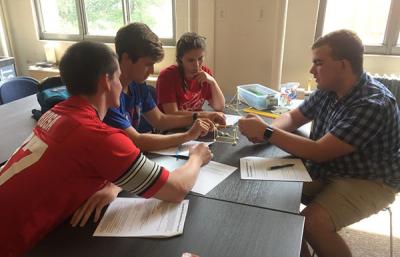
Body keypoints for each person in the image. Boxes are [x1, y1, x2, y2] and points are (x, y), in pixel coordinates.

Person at [0, 41, 212, 257]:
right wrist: (197, 157)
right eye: (118, 76)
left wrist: (114, 184)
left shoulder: (55, 114)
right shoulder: (100, 137)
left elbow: (78, 165)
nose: (122, 84)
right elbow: (176, 189)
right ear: (106, 81)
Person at [238, 30, 399, 257]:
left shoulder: (373, 104)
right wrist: (269, 131)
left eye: (318, 63)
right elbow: (294, 117)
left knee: (313, 224)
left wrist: (265, 131)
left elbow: (319, 152)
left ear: (343, 65)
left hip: (370, 180)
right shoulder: (328, 88)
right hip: (331, 167)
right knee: (268, 195)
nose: (312, 70)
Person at [103, 23, 226, 152]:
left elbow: (160, 120)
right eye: (148, 64)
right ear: (126, 58)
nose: (151, 71)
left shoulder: (138, 85)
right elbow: (137, 141)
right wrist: (188, 135)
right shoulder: (108, 96)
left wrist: (200, 116)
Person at [156, 32, 225, 118]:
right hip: (173, 127)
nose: (196, 65)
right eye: (191, 60)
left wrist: (213, 82)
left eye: (200, 59)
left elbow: (219, 107)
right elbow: (172, 113)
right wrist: (205, 115)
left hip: (195, 123)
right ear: (180, 58)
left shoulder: (205, 73)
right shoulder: (167, 76)